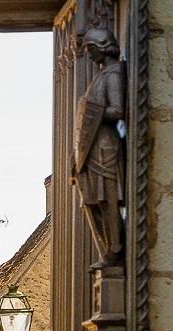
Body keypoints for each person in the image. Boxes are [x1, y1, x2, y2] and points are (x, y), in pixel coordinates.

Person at [70, 27, 126, 270]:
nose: (90, 56)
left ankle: (115, 249)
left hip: (105, 145)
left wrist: (96, 115)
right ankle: (108, 249)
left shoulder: (113, 74)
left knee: (107, 199)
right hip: (90, 148)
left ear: (102, 47)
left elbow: (117, 110)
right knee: (92, 202)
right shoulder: (101, 76)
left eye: (90, 50)